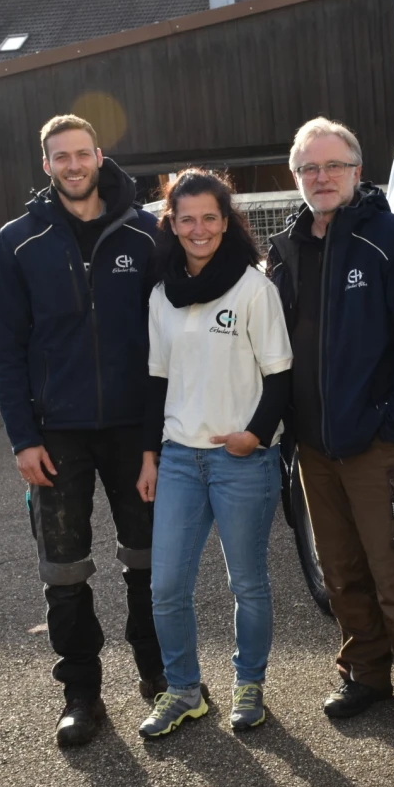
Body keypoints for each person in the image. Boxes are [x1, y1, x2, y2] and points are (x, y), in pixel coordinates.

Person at [267, 118, 394, 753]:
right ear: (296, 178)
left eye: (332, 166)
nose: (321, 178)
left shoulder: (390, 240)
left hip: (377, 446)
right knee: (342, 572)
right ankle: (365, 675)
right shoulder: (288, 250)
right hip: (314, 447)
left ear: (356, 169)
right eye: (308, 170)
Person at [0, 114, 165, 748]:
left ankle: (158, 675)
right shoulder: (18, 241)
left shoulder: (146, 234)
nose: (72, 165)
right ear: (46, 164)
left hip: (133, 427)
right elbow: (6, 349)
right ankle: (82, 695)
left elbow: (169, 341)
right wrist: (21, 437)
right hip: (54, 433)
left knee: (148, 558)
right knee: (63, 568)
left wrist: (155, 439)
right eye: (59, 156)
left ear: (98, 156)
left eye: (81, 154)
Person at [136, 169, 292, 739]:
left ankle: (248, 685)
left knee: (246, 582)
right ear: (171, 225)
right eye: (186, 219)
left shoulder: (255, 289)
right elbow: (156, 382)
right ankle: (183, 692)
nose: (198, 229)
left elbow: (279, 377)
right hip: (179, 457)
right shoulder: (161, 297)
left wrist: (254, 435)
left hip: (240, 460)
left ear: (225, 223)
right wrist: (150, 455)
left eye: (209, 217)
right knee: (166, 586)